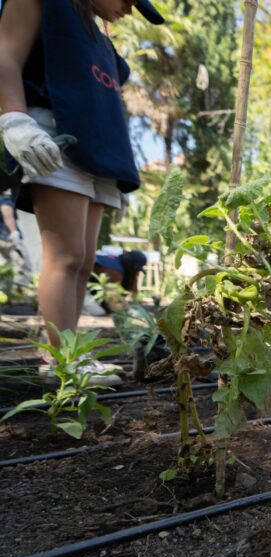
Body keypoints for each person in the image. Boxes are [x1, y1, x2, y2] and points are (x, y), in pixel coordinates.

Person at [0, 0, 166, 386]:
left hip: (97, 151)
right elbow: (5, 51)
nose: (128, 9)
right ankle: (61, 363)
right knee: (66, 255)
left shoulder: (101, 42)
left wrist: (120, 173)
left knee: (86, 260)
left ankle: (72, 355)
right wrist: (14, 117)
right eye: (127, 0)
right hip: (55, 136)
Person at [84, 249, 147, 314]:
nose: (136, 273)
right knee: (99, 312)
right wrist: (128, 310)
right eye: (137, 269)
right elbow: (112, 297)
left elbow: (134, 290)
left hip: (84, 285)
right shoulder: (115, 272)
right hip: (80, 287)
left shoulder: (116, 261)